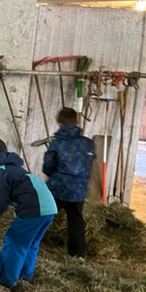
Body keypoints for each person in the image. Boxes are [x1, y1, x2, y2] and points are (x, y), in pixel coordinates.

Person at [0, 137, 57, 290]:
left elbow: (0, 200)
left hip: (33, 210)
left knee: (14, 243)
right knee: (30, 244)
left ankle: (6, 282)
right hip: (48, 208)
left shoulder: (0, 172)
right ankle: (26, 276)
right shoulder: (12, 169)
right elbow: (1, 196)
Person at [42, 107, 96, 258]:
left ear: (59, 123)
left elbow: (47, 167)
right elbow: (88, 165)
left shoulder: (57, 143)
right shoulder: (88, 144)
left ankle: (33, 243)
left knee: (43, 214)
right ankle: (78, 255)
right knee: (76, 220)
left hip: (59, 189)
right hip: (79, 191)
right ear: (76, 123)